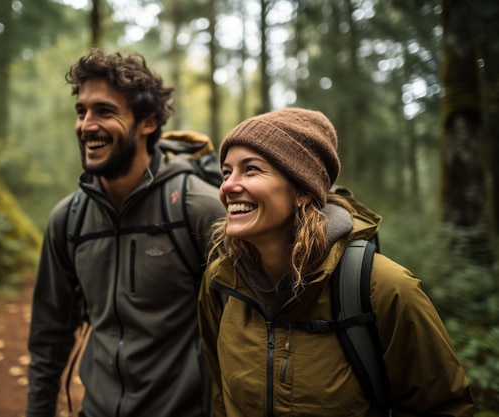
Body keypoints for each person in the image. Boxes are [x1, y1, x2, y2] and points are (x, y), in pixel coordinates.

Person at [197, 108, 475, 417]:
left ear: (302, 190)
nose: (227, 186)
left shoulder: (383, 287)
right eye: (226, 172)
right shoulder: (221, 282)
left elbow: (443, 407)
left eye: (250, 169)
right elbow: (220, 396)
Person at [26, 48, 225, 417]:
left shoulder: (198, 209)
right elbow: (48, 337)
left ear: (147, 122)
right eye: (81, 111)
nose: (87, 125)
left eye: (104, 111)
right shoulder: (67, 220)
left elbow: (243, 335)